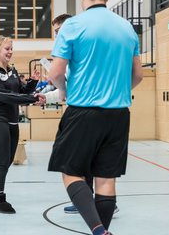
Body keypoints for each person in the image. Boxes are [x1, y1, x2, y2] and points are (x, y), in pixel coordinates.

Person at [47, 0, 143, 234]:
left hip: (83, 112)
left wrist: (65, 91)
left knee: (71, 172)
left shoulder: (73, 25)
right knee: (106, 179)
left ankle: (99, 230)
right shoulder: (126, 27)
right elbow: (138, 75)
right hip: (119, 115)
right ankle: (102, 230)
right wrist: (116, 92)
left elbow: (56, 72)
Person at [50, 13, 120, 215]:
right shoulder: (73, 56)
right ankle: (87, 201)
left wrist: (61, 90)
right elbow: (69, 86)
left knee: (79, 166)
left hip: (87, 115)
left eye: (58, 31)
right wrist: (51, 96)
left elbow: (58, 79)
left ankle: (100, 206)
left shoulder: (80, 52)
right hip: (98, 114)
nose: (57, 36)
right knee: (86, 164)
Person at [0, 36, 45, 214]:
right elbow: (5, 96)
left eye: (11, 48)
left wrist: (32, 83)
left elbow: (19, 92)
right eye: (6, 49)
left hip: (11, 120)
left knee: (7, 160)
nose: (10, 52)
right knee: (2, 161)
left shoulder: (13, 71)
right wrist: (32, 99)